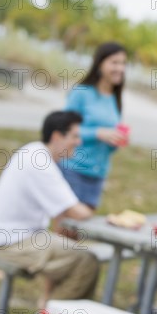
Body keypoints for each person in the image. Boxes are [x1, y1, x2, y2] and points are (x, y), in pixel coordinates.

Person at [0, 111, 99, 314]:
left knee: (82, 258)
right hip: (10, 242)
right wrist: (102, 215)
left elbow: (62, 213)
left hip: (18, 237)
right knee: (86, 261)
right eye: (74, 136)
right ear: (56, 136)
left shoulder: (36, 153)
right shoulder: (39, 161)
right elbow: (76, 211)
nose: (79, 142)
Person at [60, 42, 128, 209]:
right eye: (114, 62)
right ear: (100, 64)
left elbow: (108, 143)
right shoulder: (82, 93)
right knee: (66, 230)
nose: (120, 68)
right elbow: (65, 129)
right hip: (73, 169)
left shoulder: (114, 98)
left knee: (80, 230)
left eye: (123, 63)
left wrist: (116, 141)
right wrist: (97, 133)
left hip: (97, 175)